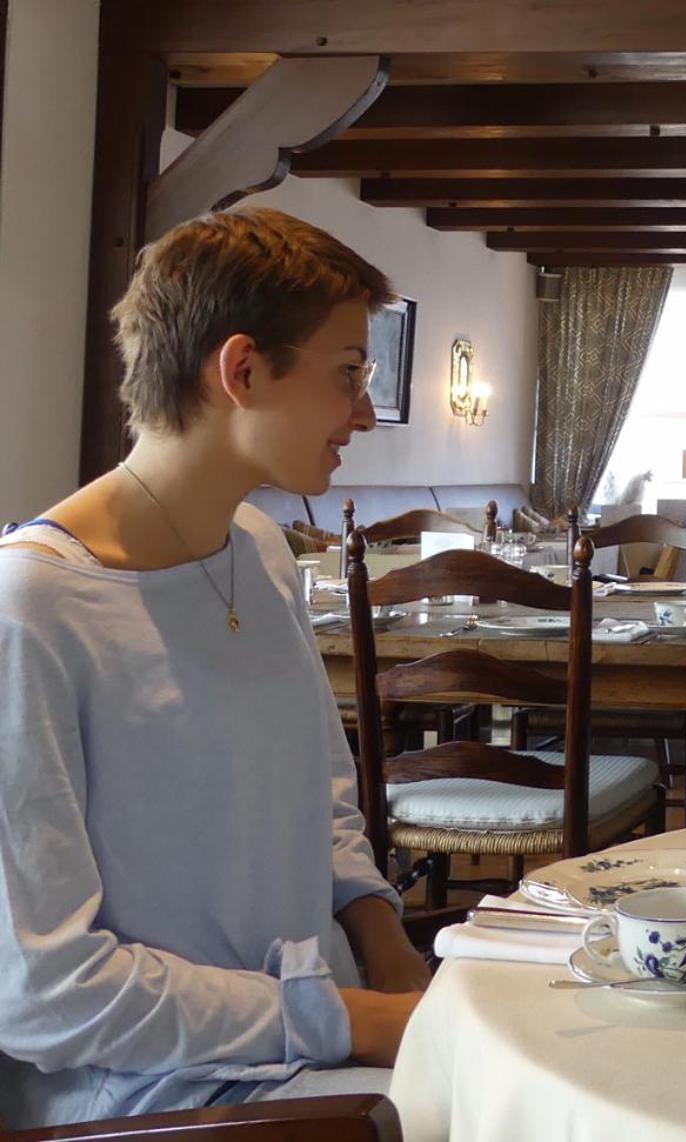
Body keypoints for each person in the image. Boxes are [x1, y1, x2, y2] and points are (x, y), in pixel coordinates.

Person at [0, 208, 429, 1129]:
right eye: (348, 373)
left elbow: (321, 796)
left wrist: (388, 947)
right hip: (160, 1096)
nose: (363, 411)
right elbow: (43, 990)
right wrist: (353, 1021)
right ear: (241, 371)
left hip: (320, 1044)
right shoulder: (31, 608)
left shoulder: (261, 549)